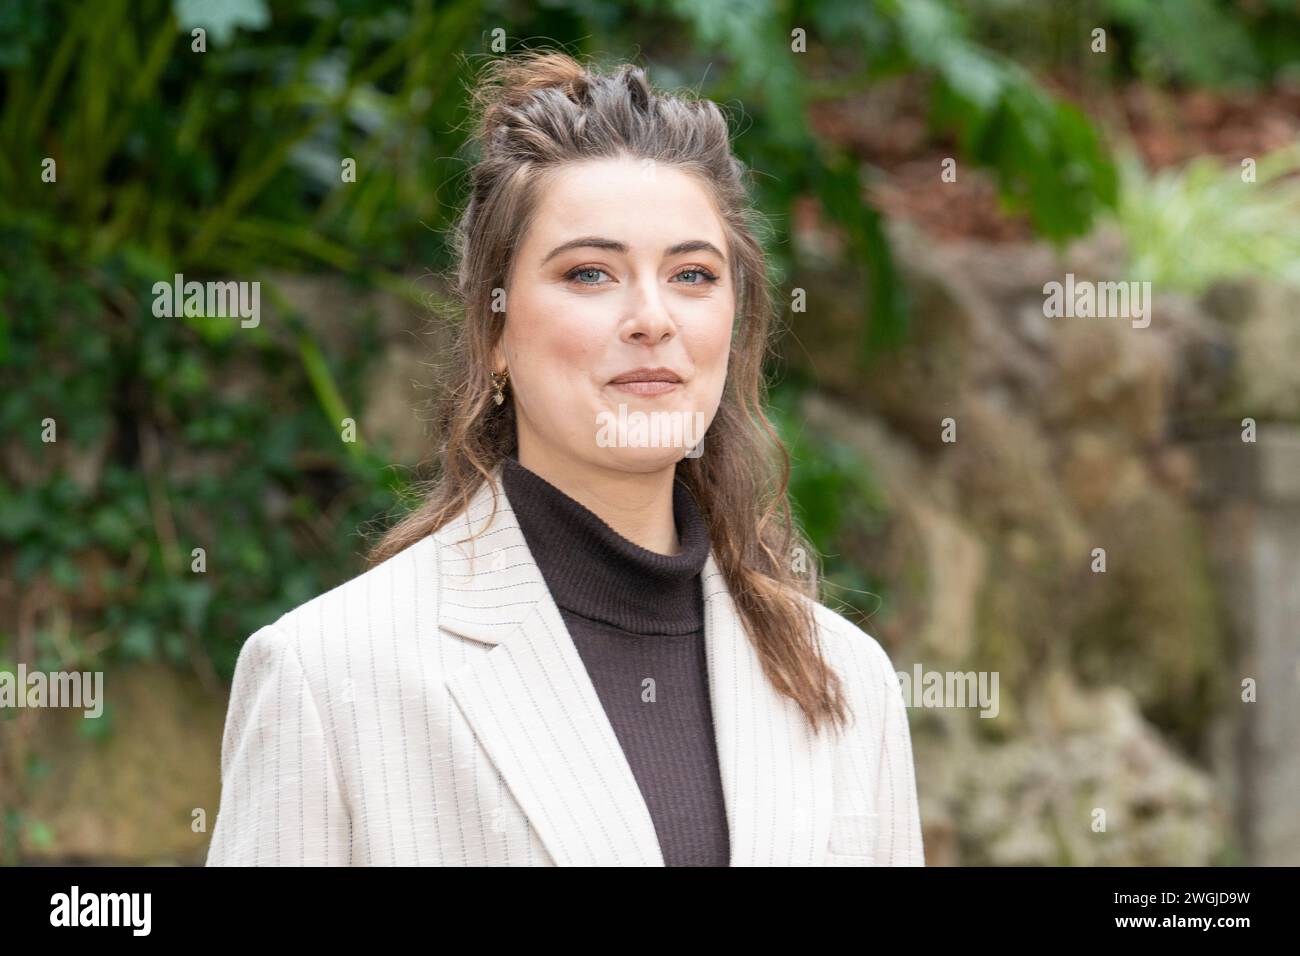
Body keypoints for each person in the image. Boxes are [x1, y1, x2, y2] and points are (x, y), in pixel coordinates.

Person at [206, 50, 924, 867]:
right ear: (493, 329)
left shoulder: (845, 681)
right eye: (590, 273)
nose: (653, 318)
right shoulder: (327, 676)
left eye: (692, 274)